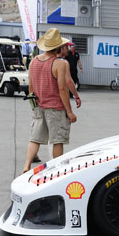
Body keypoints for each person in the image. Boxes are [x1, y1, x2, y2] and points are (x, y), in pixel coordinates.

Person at [22, 28, 79, 174]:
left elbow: (31, 86)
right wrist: (70, 112)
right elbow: (62, 89)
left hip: (39, 106)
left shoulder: (33, 61)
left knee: (35, 138)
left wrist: (34, 106)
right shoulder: (58, 64)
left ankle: (27, 165)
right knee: (57, 140)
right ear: (58, 46)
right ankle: (56, 169)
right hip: (56, 108)